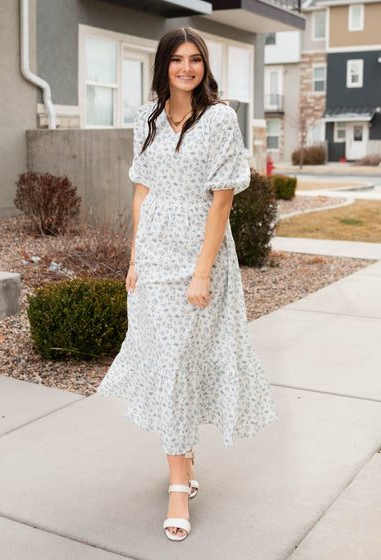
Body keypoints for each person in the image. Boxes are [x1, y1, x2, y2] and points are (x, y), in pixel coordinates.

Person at [96, 26, 278, 542]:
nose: (186, 68)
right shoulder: (146, 118)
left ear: (204, 67)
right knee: (166, 359)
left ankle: (181, 471)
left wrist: (201, 273)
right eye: (177, 59)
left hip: (200, 254)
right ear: (163, 66)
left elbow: (222, 199)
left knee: (187, 359)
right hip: (153, 256)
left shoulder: (220, 119)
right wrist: (133, 258)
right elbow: (142, 192)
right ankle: (181, 475)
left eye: (195, 59)